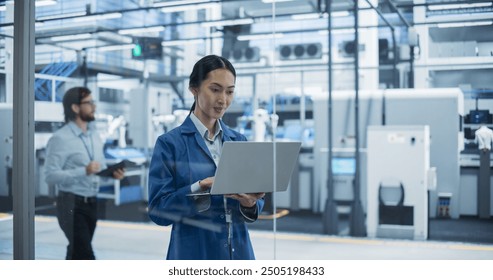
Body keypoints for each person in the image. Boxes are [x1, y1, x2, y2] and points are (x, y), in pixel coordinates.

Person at [148, 55, 265, 260]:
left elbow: (254, 203)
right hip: (194, 253)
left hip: (237, 251)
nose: (223, 100)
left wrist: (250, 203)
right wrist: (199, 186)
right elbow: (158, 211)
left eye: (230, 92)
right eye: (215, 89)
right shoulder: (170, 143)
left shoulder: (238, 140)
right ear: (194, 89)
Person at [44, 86, 125, 260]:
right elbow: (50, 176)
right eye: (89, 103)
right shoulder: (60, 138)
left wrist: (111, 174)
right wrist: (83, 170)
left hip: (92, 203)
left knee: (77, 251)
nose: (94, 107)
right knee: (86, 254)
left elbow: (99, 170)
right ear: (75, 108)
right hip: (70, 204)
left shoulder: (94, 136)